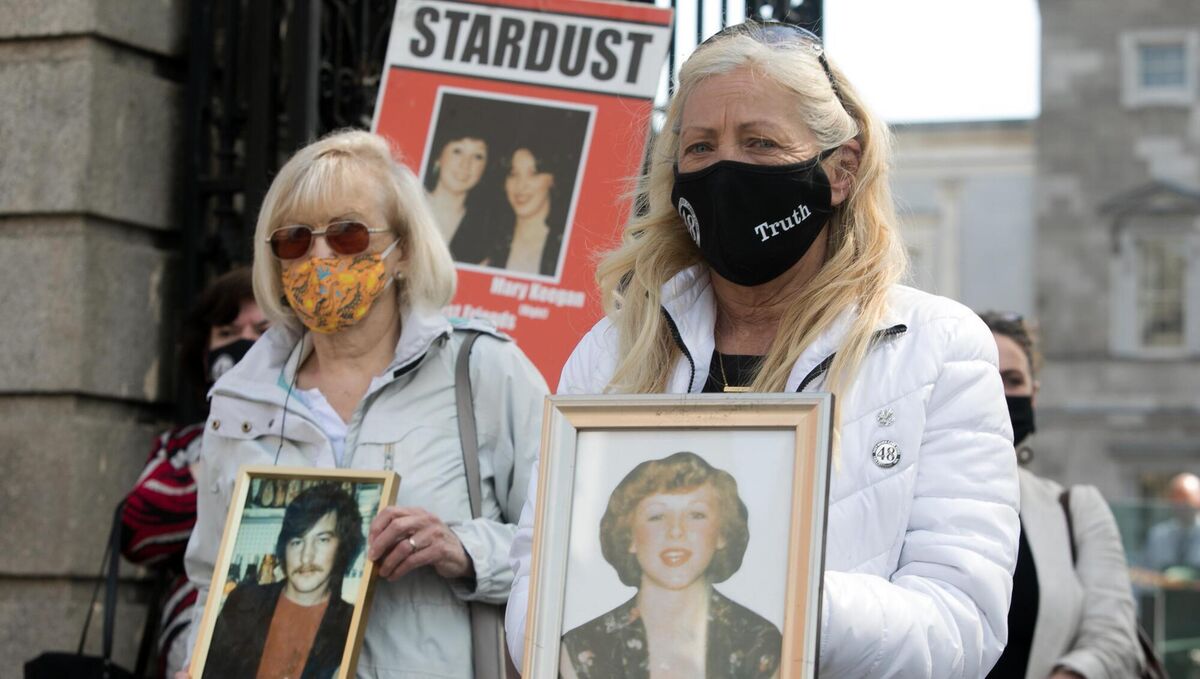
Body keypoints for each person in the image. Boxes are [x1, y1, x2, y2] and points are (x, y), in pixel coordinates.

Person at [507, 21, 1020, 678]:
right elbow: (535, 591)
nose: (725, 169)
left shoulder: (937, 352)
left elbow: (961, 626)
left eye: (760, 142)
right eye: (699, 146)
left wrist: (773, 601)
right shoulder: (612, 350)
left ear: (841, 170)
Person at [181, 129, 547, 678]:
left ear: (403, 251)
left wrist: (463, 550)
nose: (320, 254)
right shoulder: (238, 402)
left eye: (348, 235)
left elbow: (566, 545)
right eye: (295, 241)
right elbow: (212, 580)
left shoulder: (483, 371)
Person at [120, 267, 266, 678]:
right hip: (192, 640)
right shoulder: (182, 447)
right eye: (227, 332)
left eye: (263, 330)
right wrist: (223, 460)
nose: (245, 344)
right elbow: (137, 527)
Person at [981, 312, 1142, 679]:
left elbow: (1114, 640)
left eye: (1014, 380)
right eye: (986, 374)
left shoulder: (1075, 510)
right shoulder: (904, 498)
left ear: (1033, 396)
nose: (1001, 394)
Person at [560, 452, 781, 679]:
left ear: (722, 534)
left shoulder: (759, 644)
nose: (676, 531)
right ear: (629, 537)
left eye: (696, 515)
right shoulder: (583, 647)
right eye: (656, 516)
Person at [201, 483, 362, 679]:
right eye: (297, 542)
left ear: (343, 546)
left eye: (322, 540)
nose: (306, 557)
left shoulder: (350, 622)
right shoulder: (244, 601)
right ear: (283, 547)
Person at [478, 143, 566, 276]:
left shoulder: (566, 245)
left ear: (552, 179)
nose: (521, 185)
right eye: (513, 174)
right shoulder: (488, 244)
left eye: (533, 173)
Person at [424, 128, 491, 259]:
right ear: (439, 157)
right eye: (457, 151)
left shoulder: (483, 235)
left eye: (477, 156)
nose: (465, 165)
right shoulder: (410, 204)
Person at [1141, 472, 1200, 578]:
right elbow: (1147, 572)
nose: (1182, 505)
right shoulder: (1158, 535)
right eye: (1177, 499)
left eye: (1187, 499)